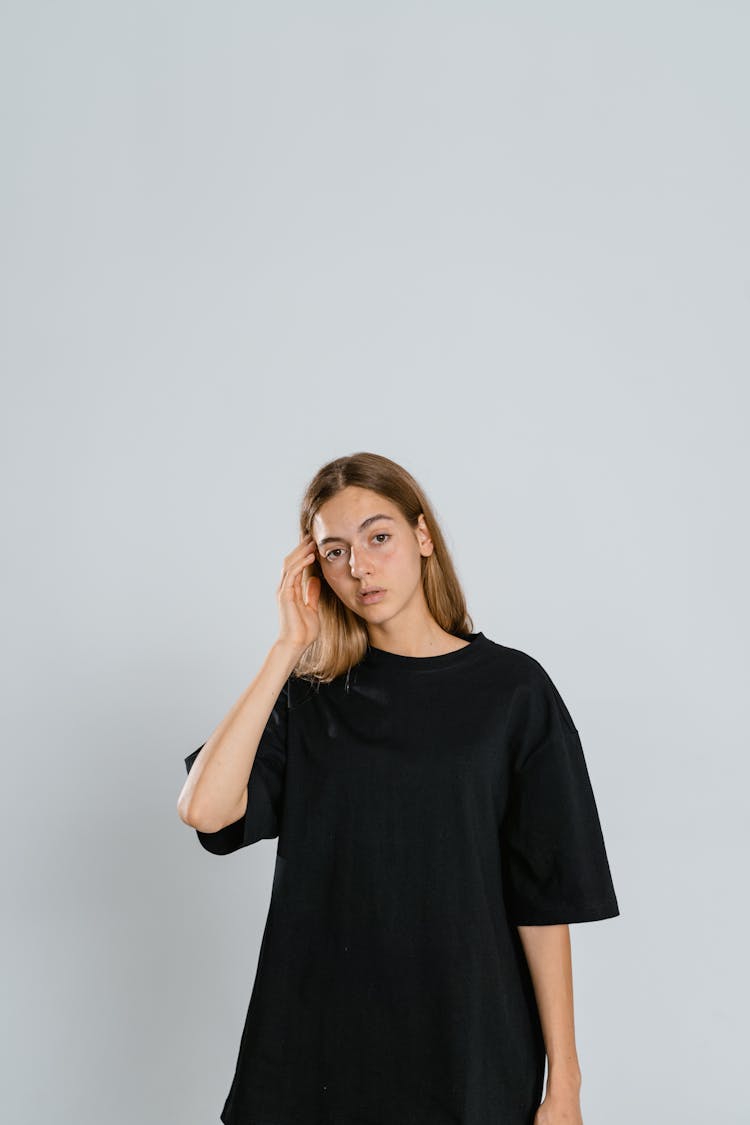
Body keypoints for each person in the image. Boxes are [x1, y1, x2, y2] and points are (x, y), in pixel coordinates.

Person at [177, 451, 620, 1125]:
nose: (359, 566)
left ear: (422, 536)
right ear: (314, 571)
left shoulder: (513, 691)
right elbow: (204, 808)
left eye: (378, 536)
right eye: (334, 551)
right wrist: (286, 649)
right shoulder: (310, 699)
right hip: (316, 1051)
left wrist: (566, 1084)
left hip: (468, 1044)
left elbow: (544, 897)